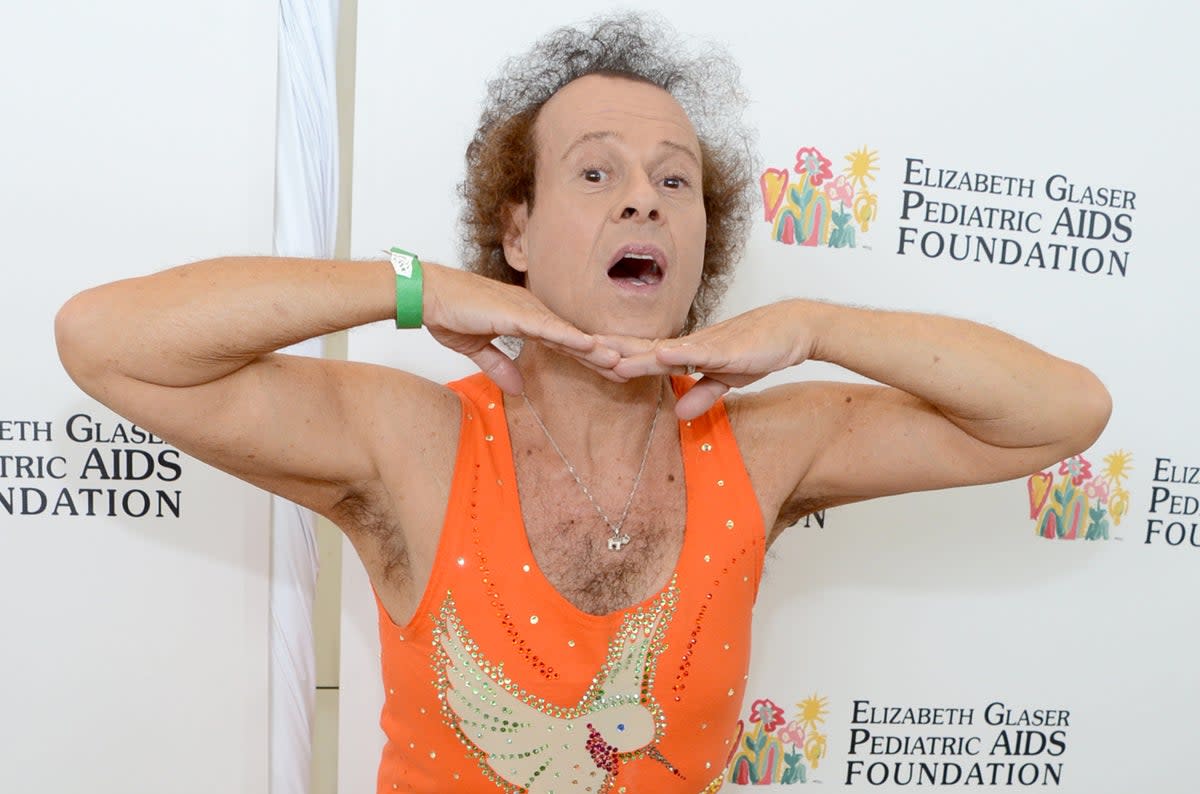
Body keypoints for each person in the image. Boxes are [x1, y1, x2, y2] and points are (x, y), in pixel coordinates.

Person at [55, 15, 1109, 794]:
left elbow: (1061, 411)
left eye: (675, 180)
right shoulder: (414, 440)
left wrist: (818, 323)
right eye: (594, 172)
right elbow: (106, 342)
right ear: (515, 234)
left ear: (701, 241)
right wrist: (417, 285)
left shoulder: (767, 442)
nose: (642, 195)